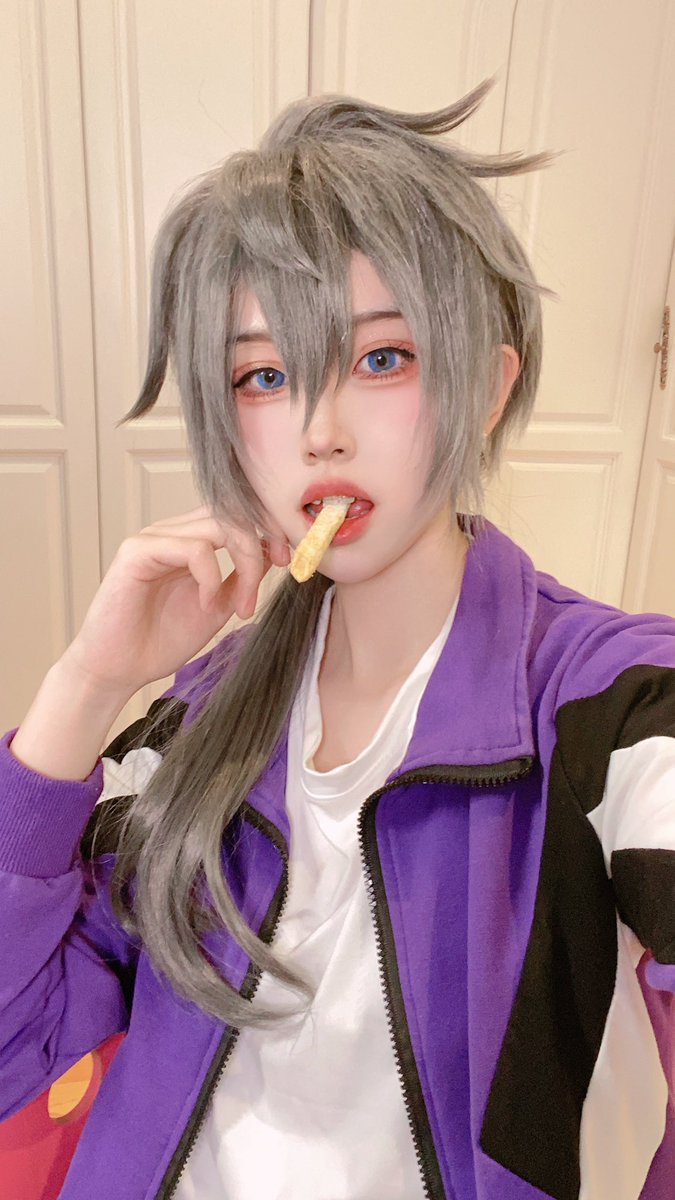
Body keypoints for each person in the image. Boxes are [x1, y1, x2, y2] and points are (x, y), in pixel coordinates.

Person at [1, 75, 673, 1200]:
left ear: (487, 386)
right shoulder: (191, 728)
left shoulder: (612, 709)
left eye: (380, 359)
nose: (319, 430)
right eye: (264, 376)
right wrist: (85, 685)